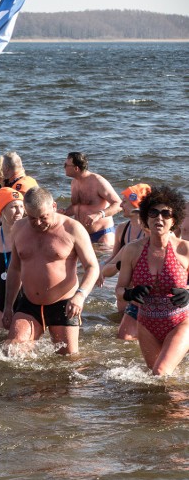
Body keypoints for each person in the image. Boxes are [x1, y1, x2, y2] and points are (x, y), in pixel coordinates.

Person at [3, 187, 99, 355]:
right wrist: (8, 306)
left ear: (54, 207)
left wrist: (80, 295)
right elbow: (15, 269)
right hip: (29, 303)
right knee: (12, 352)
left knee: (68, 361)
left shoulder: (72, 229)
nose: (38, 223)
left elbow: (92, 266)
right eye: (32, 218)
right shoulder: (19, 228)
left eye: (43, 217)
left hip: (64, 304)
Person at [115, 186, 189, 376]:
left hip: (181, 320)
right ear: (146, 218)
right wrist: (130, 293)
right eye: (154, 213)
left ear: (174, 220)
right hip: (146, 323)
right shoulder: (132, 250)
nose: (159, 218)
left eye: (166, 214)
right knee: (157, 381)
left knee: (161, 372)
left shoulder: (184, 249)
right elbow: (119, 289)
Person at [98, 183, 151, 341]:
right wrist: (99, 270)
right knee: (122, 339)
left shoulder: (150, 232)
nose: (120, 205)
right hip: (124, 293)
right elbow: (112, 261)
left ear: (137, 205)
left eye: (125, 202)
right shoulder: (122, 228)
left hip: (143, 294)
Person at [0, 187, 27, 327]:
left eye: (21, 206)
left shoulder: (29, 235)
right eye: (14, 207)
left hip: (25, 306)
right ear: (2, 210)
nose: (19, 211)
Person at [62, 152, 122, 248]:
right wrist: (64, 212)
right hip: (82, 235)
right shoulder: (74, 182)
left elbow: (119, 204)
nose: (63, 167)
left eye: (66, 165)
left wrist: (99, 214)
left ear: (76, 168)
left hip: (102, 234)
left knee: (102, 262)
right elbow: (77, 207)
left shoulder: (98, 181)